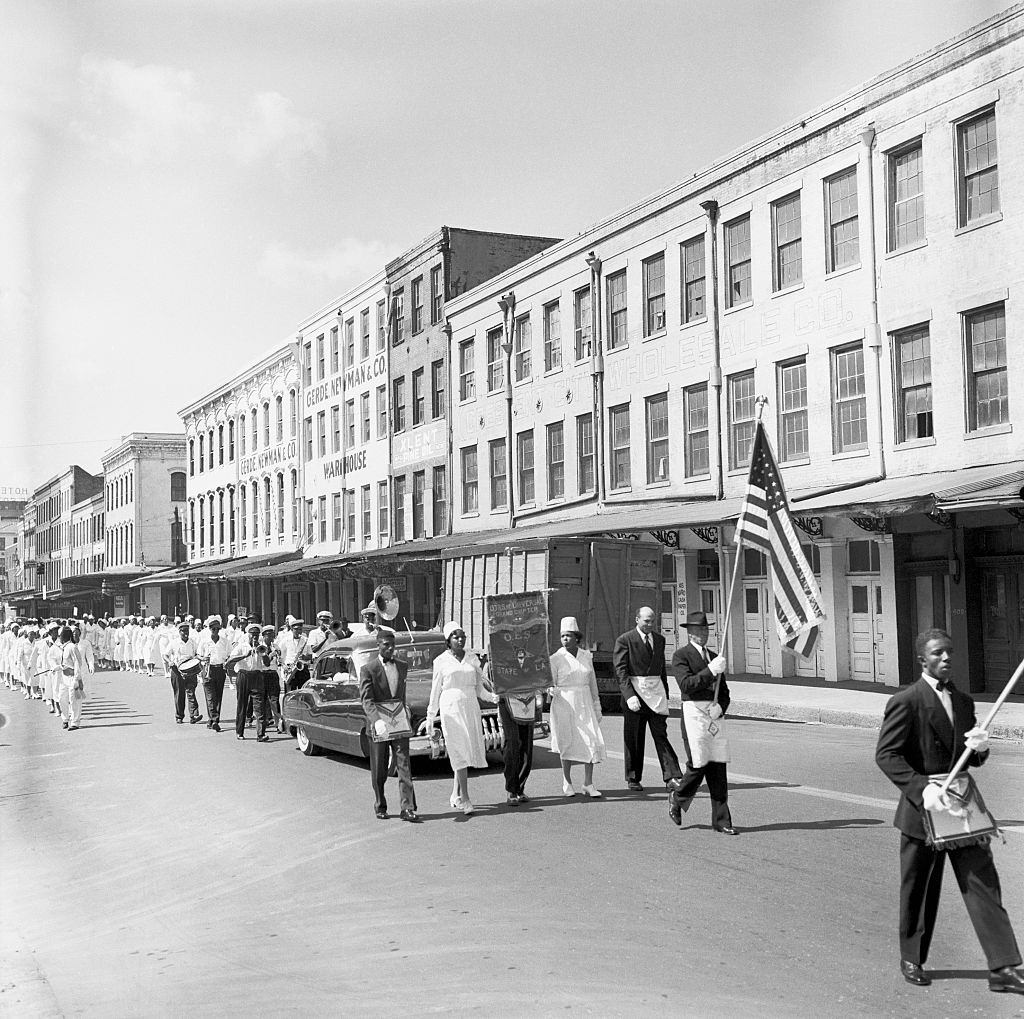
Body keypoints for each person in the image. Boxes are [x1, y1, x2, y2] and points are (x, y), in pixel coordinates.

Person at [875, 628, 1024, 993]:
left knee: (983, 883)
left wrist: (980, 747)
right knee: (920, 888)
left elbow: (971, 760)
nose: (946, 659)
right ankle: (912, 956)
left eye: (949, 653)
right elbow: (886, 755)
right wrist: (920, 789)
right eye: (938, 653)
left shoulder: (963, 701)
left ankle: (1003, 967)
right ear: (922, 660)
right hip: (924, 808)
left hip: (961, 804)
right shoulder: (907, 701)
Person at [668, 610, 736, 834]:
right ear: (690, 632)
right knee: (699, 763)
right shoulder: (681, 656)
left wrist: (721, 707)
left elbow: (724, 692)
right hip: (693, 713)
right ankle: (678, 797)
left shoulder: (715, 656)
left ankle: (722, 821)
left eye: (706, 629)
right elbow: (686, 685)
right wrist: (710, 671)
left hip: (713, 714)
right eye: (699, 629)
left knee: (718, 765)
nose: (703, 633)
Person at [425, 622, 498, 815]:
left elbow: (479, 689)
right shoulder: (440, 661)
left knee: (465, 750)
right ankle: (465, 798)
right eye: (456, 636)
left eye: (462, 636)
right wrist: (431, 716)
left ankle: (455, 794)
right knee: (459, 751)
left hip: (470, 707)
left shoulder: (472, 659)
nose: (460, 639)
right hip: (450, 708)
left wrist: (493, 698)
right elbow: (435, 691)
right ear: (448, 640)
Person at [611, 606, 682, 793]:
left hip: (655, 695)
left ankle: (672, 776)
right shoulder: (625, 640)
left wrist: (665, 693)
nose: (650, 624)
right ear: (637, 620)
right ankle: (633, 778)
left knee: (661, 735)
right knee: (634, 738)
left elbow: (661, 669)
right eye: (646, 621)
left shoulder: (659, 640)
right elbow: (621, 671)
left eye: (652, 621)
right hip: (634, 696)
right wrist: (629, 696)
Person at [358, 627, 418, 821]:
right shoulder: (368, 669)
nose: (391, 649)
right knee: (379, 768)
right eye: (386, 645)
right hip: (379, 725)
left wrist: (404, 713)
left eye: (393, 645)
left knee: (404, 765)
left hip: (398, 722)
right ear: (378, 646)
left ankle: (407, 807)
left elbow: (400, 695)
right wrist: (376, 721)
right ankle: (380, 803)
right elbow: (366, 700)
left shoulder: (402, 665)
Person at [549, 616, 605, 798]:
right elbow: (550, 683)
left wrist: (597, 706)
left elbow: (592, 683)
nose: (565, 639)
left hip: (585, 701)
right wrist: (551, 691)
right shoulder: (556, 658)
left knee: (591, 740)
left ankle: (588, 783)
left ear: (576, 637)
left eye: (568, 636)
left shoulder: (586, 656)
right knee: (567, 741)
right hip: (564, 704)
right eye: (562, 636)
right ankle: (567, 781)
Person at [234, 623, 272, 742]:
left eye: (257, 635)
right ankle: (239, 731)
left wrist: (263, 653)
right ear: (248, 635)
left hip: (257, 676)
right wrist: (245, 655)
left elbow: (267, 664)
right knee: (242, 704)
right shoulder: (241, 646)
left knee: (259, 705)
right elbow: (230, 660)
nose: (254, 637)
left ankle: (261, 734)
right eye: (252, 635)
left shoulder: (261, 647)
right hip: (244, 675)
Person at [167, 620, 204, 725]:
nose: (185, 633)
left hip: (190, 670)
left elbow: (197, 654)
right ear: (179, 632)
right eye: (183, 631)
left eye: (187, 630)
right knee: (179, 694)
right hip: (177, 670)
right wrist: (170, 662)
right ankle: (179, 716)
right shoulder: (174, 642)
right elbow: (165, 654)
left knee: (191, 691)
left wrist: (201, 659)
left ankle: (194, 715)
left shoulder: (192, 642)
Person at [197, 616, 230, 732]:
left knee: (218, 696)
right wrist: (203, 658)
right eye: (213, 629)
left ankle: (212, 720)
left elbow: (229, 655)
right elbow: (198, 655)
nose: (216, 631)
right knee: (210, 697)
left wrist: (227, 664)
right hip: (208, 670)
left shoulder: (225, 642)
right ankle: (215, 720)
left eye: (217, 629)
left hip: (220, 669)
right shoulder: (204, 641)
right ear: (210, 629)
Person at [56, 626, 86, 730]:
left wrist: (77, 679)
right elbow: (64, 663)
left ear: (64, 636)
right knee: (61, 698)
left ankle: (75, 722)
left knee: (74, 700)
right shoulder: (62, 647)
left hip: (73, 677)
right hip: (64, 677)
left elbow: (78, 663)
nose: (59, 637)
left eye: (60, 635)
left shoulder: (72, 647)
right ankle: (65, 719)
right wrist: (58, 667)